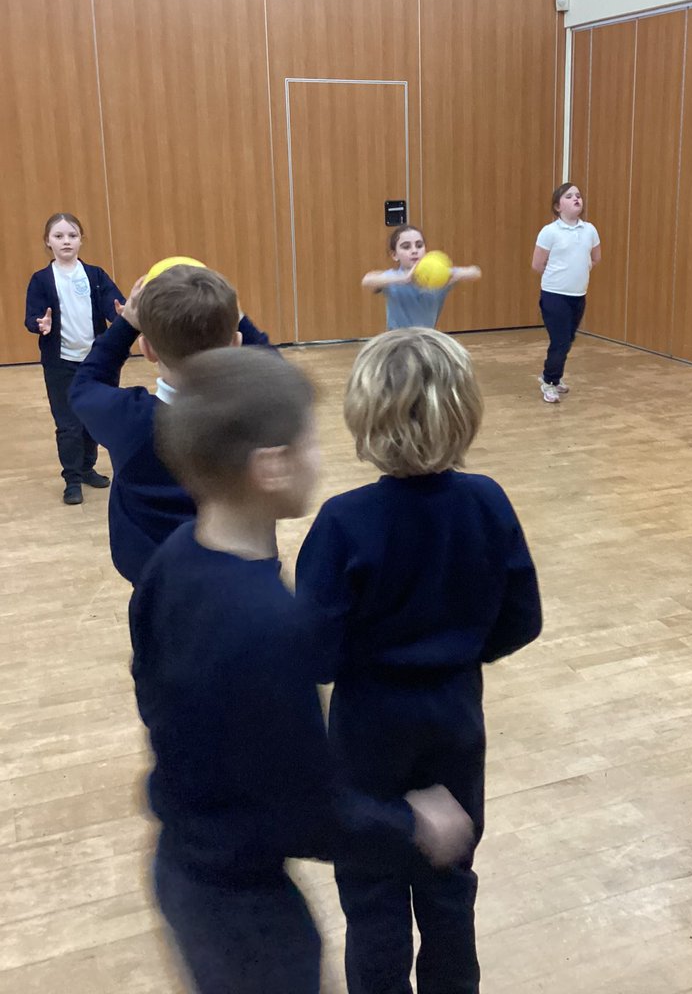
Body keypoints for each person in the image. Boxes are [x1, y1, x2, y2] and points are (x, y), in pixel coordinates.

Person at [131, 346, 473, 993]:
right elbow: (308, 811)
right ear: (272, 466)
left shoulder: (173, 556)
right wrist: (415, 828)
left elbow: (147, 681)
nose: (321, 455)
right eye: (311, 441)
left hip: (180, 865)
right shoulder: (268, 624)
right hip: (249, 913)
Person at [294, 327, 542, 993]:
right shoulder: (487, 500)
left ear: (363, 416)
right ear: (464, 412)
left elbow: (314, 654)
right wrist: (456, 655)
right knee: (450, 886)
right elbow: (524, 619)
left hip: (367, 731)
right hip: (455, 720)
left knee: (372, 898)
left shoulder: (343, 522)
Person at [69, 264, 270, 586]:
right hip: (241, 577)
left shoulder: (130, 421)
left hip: (156, 579)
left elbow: (85, 385)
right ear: (235, 343)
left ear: (146, 349)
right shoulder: (255, 413)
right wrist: (238, 315)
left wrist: (125, 325)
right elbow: (274, 368)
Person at [24, 213, 123, 504]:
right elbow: (33, 316)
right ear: (48, 242)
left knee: (92, 417)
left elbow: (113, 305)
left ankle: (87, 467)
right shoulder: (42, 280)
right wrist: (39, 324)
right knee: (68, 423)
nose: (66, 241)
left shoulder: (95, 275)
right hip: (60, 362)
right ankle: (72, 479)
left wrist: (121, 313)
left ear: (81, 240)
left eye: (72, 235)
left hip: (95, 361)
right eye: (59, 236)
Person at [531, 182, 601, 404]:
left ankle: (554, 375)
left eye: (578, 195)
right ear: (557, 206)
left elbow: (596, 258)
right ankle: (549, 381)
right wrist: (558, 277)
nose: (576, 199)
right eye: (569, 196)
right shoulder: (549, 232)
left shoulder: (589, 229)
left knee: (568, 340)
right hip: (554, 295)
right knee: (560, 341)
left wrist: (580, 269)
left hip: (578, 296)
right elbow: (537, 264)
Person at [361, 225, 481, 330]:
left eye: (419, 245)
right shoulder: (394, 277)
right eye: (406, 247)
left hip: (426, 341)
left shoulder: (438, 278)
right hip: (397, 342)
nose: (414, 250)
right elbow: (367, 281)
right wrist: (404, 279)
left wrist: (449, 274)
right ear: (394, 255)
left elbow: (475, 272)